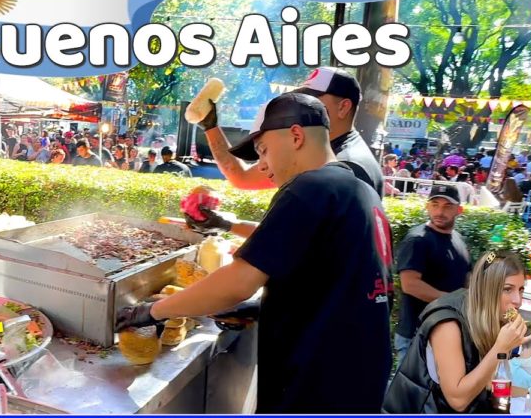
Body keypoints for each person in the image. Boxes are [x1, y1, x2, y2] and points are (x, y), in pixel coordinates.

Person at [116, 93, 393, 413]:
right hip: (357, 382)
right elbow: (335, 281)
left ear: (296, 136)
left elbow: (238, 281)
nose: (262, 164)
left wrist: (152, 312)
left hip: (315, 386)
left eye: (263, 150)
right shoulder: (358, 189)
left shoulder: (310, 187)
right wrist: (262, 308)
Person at [197, 66, 384, 198]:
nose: (301, 105)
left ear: (343, 107)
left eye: (312, 100)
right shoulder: (316, 153)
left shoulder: (347, 168)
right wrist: (210, 127)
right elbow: (242, 178)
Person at [383, 251, 531, 413]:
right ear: (487, 289)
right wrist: (500, 349)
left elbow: (488, 383)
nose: (517, 301)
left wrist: (526, 393)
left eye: (520, 290)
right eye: (508, 290)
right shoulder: (448, 323)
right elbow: (457, 400)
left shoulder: (491, 318)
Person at [393, 184, 471, 367]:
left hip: (446, 333)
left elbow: (466, 278)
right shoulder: (418, 239)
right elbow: (410, 284)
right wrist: (453, 301)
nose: (439, 211)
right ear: (427, 206)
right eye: (435, 204)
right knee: (411, 394)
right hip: (417, 334)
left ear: (459, 210)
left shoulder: (458, 240)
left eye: (447, 206)